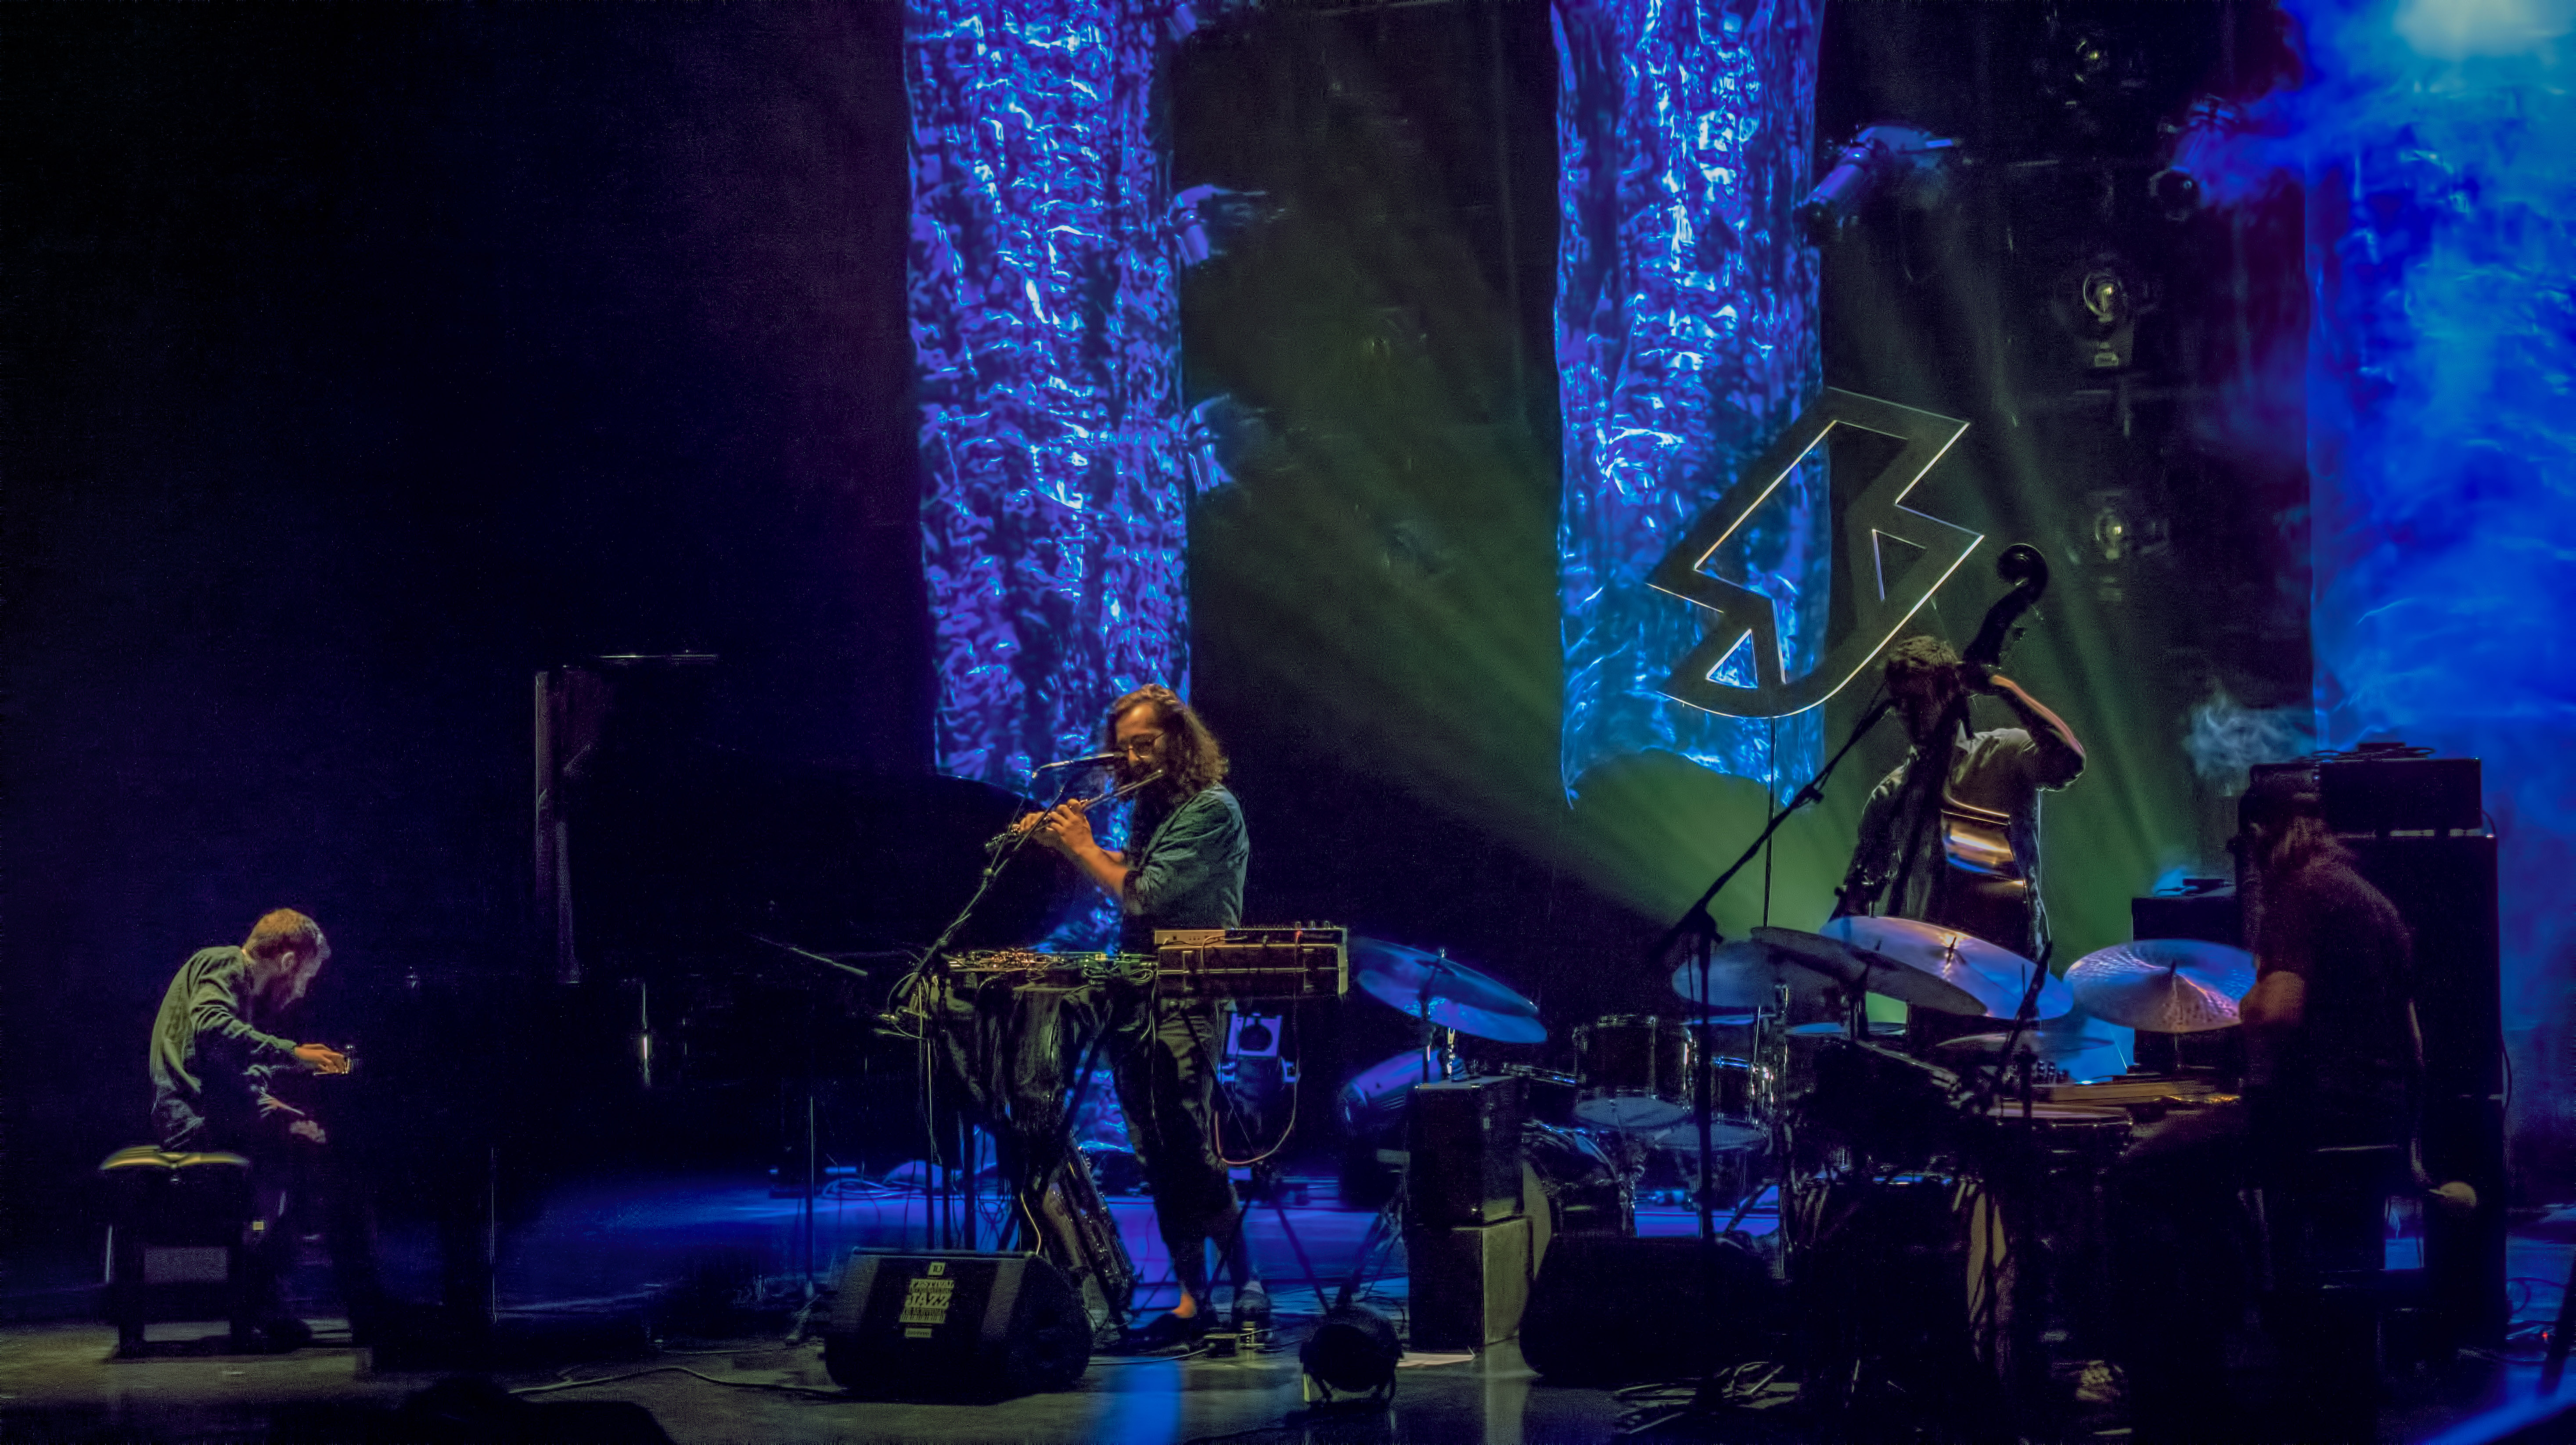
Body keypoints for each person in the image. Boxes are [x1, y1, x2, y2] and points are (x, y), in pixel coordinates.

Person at [2104, 770, 2418, 1442]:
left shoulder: (2299, 893)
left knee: (2139, 1177)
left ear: (2257, 835)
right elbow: (2414, 1041)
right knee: (2199, 1175)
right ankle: (2246, 1336)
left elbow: (2276, 1011)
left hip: (2315, 1118)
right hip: (2378, 1122)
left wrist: (2238, 1005)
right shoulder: (2370, 899)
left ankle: (2187, 1390)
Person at [1015, 685, 1263, 1342]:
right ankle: (1191, 1300)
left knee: (1186, 1139)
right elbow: (1135, 864)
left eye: (1144, 744)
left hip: (1191, 994)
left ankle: (1247, 1284)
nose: (1129, 756)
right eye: (1123, 745)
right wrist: (1059, 844)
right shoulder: (1152, 807)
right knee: (1153, 1149)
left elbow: (1145, 896)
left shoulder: (1213, 810)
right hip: (1138, 991)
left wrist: (1081, 847)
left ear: (1178, 742)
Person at [149, 909, 380, 1348]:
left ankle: (265, 1292)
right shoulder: (224, 965)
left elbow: (229, 1075)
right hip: (193, 1125)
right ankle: (351, 1305)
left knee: (318, 1153)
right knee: (336, 1166)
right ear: (290, 961)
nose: (301, 993)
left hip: (211, 1116)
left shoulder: (243, 999)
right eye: (306, 979)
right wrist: (293, 1054)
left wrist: (281, 1111)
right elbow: (214, 1030)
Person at [1836, 633, 2087, 962]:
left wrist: (2003, 688)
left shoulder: (2004, 754)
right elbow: (1860, 888)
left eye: (1918, 701)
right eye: (1900, 704)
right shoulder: (1892, 794)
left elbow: (2070, 760)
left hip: (2007, 969)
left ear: (1948, 693)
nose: (1907, 715)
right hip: (1926, 974)